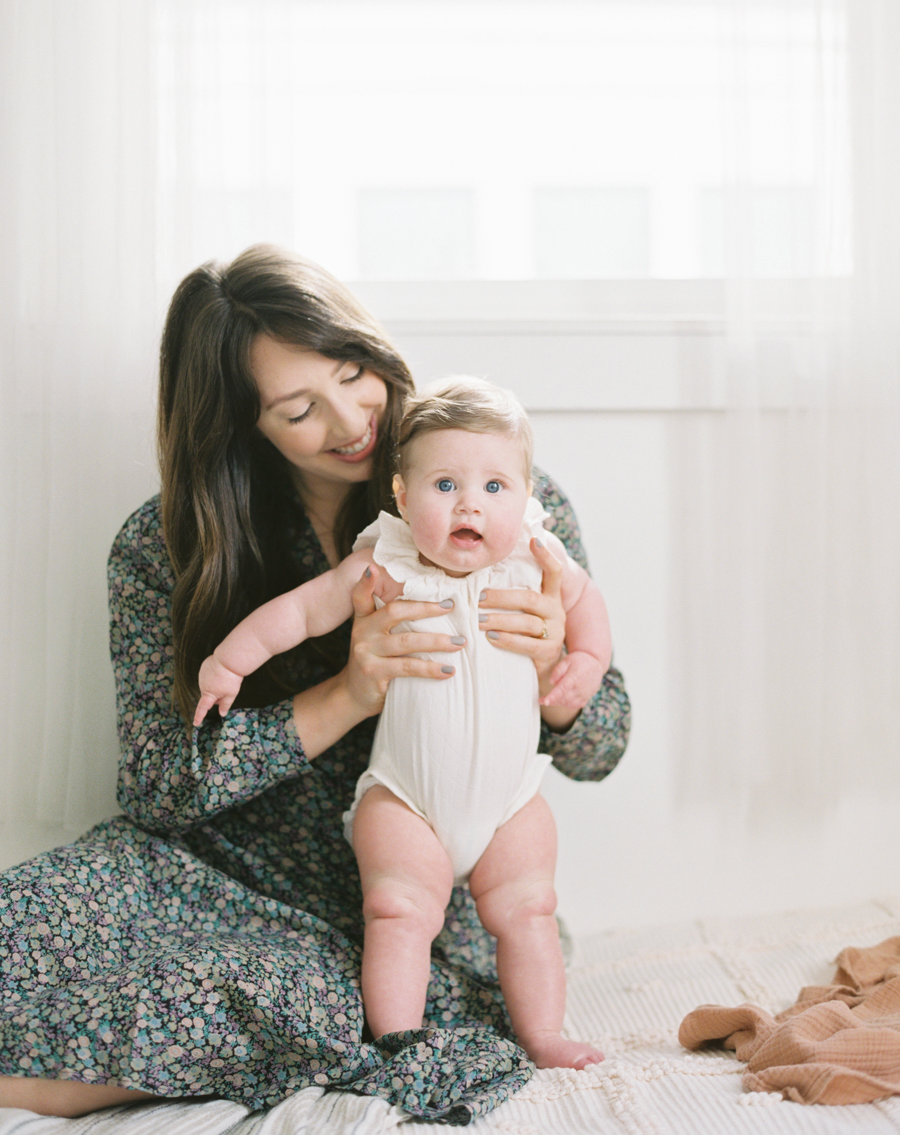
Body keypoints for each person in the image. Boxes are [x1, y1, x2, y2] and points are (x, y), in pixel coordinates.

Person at [0, 246, 631, 1122]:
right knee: (22, 921)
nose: (350, 421)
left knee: (297, 999)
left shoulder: (497, 490)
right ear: (241, 425)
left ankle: (38, 1088)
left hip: (409, 901)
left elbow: (601, 748)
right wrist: (348, 695)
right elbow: (155, 785)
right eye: (300, 409)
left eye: (354, 372)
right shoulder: (167, 547)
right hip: (212, 865)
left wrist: (559, 665)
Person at [194, 377, 611, 1070]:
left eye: (495, 488)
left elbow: (587, 601)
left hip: (510, 802)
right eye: (444, 485)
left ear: (527, 493)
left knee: (531, 909)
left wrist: (586, 662)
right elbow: (301, 613)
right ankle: (398, 1041)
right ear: (400, 496)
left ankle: (544, 1035)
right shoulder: (384, 561)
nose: (470, 502)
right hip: (406, 799)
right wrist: (228, 661)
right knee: (397, 912)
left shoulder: (535, 556)